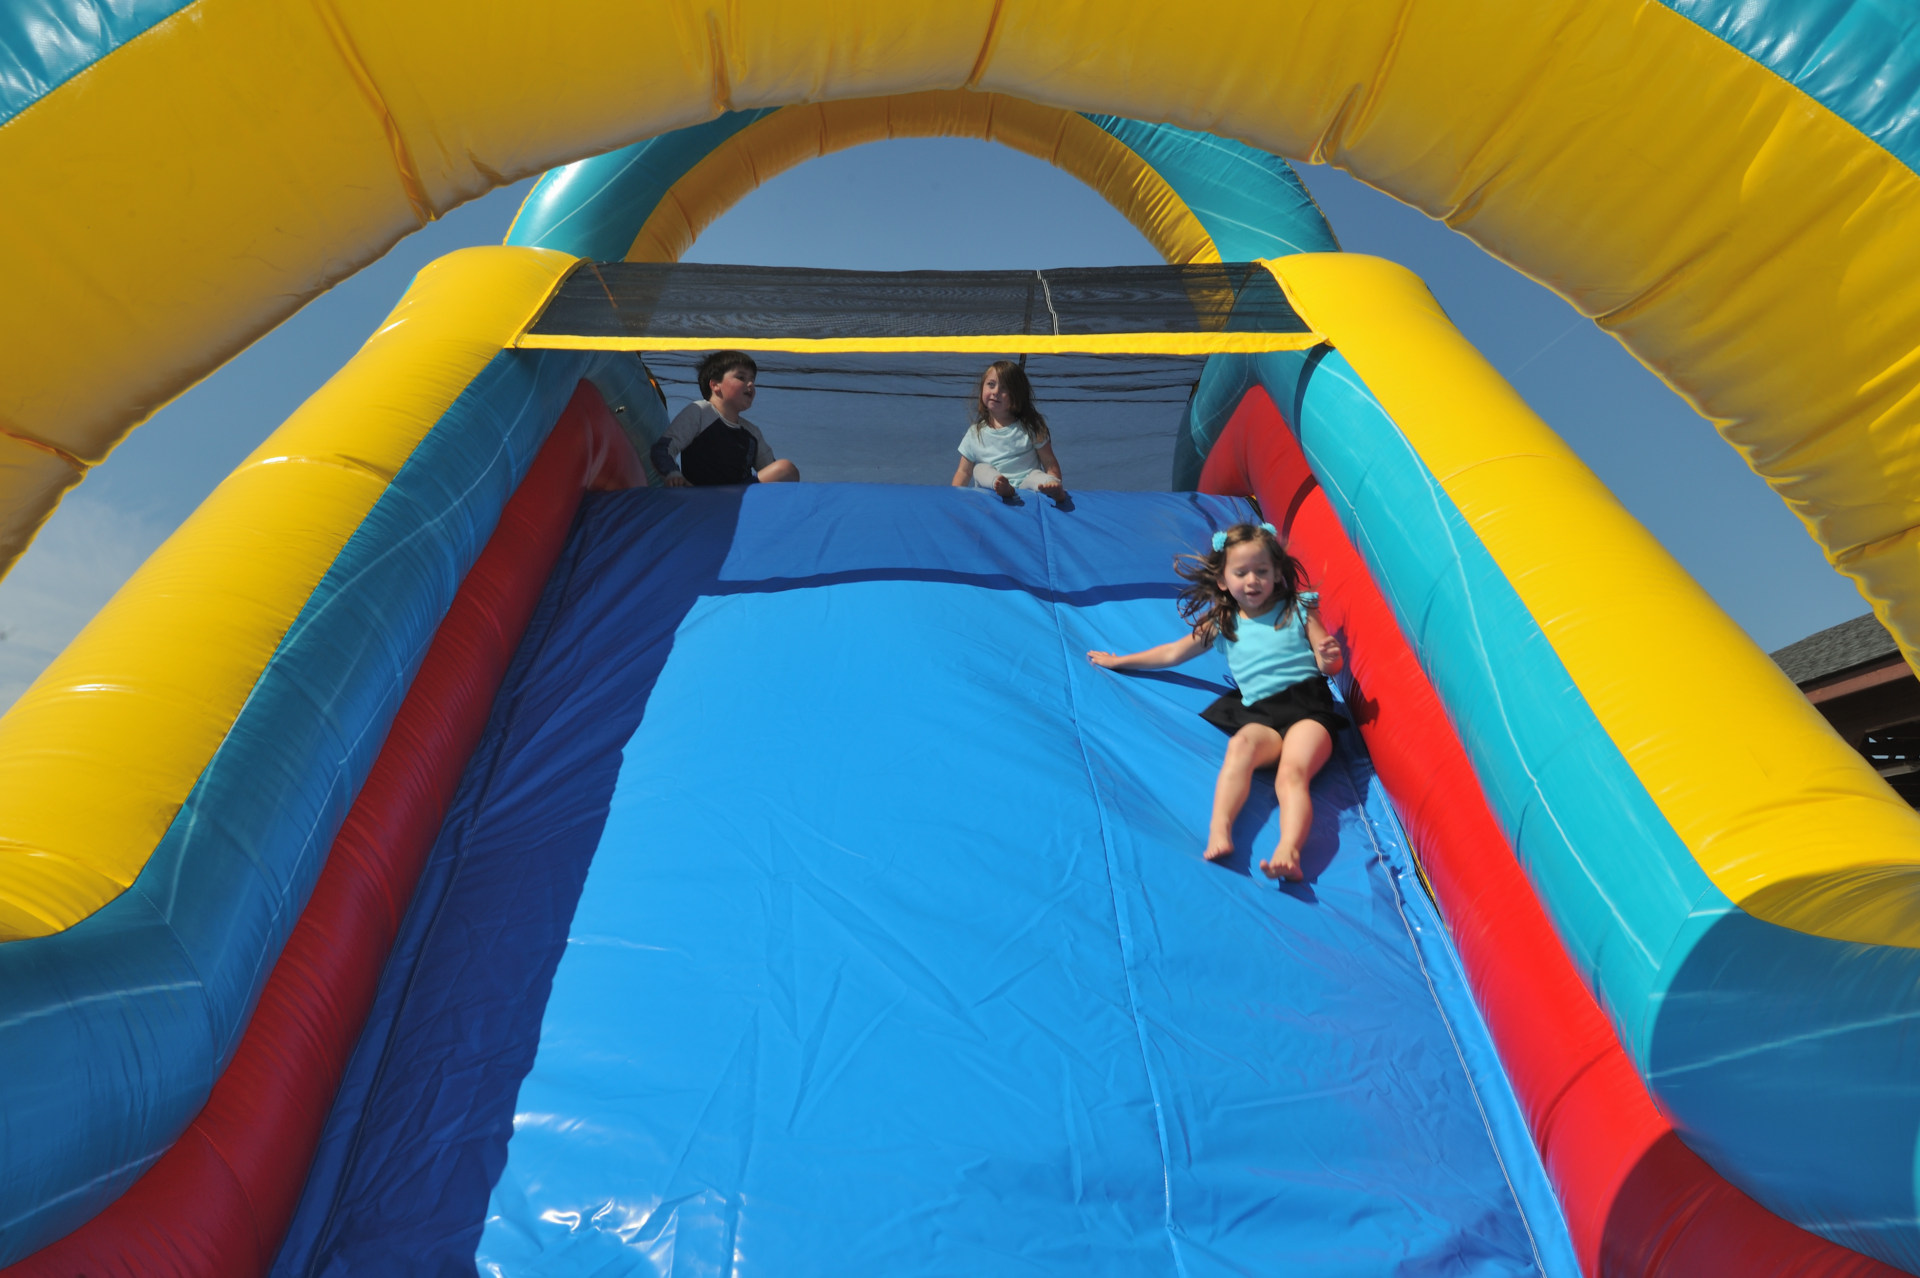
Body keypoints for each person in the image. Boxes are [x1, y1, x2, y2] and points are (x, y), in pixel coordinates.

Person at [1087, 522, 1346, 881]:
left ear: (1276, 574)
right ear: (1223, 580)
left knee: (1291, 774)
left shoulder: (1297, 609)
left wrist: (1329, 655)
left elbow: (1327, 663)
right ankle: (1220, 830)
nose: (1252, 580)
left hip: (1308, 712)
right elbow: (1172, 653)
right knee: (1240, 747)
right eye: (1241, 572)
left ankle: (1289, 850)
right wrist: (1120, 660)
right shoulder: (1222, 621)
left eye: (1261, 571)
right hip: (1261, 714)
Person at [650, 351, 800, 487]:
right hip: (702, 496)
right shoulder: (700, 412)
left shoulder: (752, 432)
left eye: (752, 380)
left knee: (786, 470)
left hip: (739, 497)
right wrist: (673, 473)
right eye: (741, 377)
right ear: (715, 385)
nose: (751, 384)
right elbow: (662, 449)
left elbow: (772, 470)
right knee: (784, 468)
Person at [950, 360, 1065, 502]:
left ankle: (1052, 488)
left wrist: (1054, 481)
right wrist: (953, 499)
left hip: (1025, 487)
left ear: (1016, 395)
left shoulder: (1030, 427)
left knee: (1035, 475)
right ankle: (1000, 484)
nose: (996, 392)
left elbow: (1049, 462)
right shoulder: (975, 433)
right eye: (991, 384)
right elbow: (963, 471)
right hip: (991, 489)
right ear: (982, 388)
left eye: (1004, 388)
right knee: (979, 469)